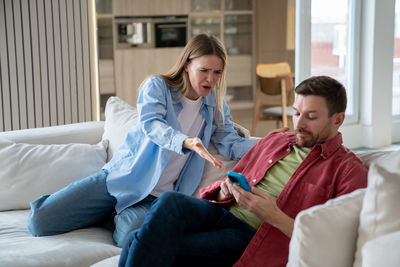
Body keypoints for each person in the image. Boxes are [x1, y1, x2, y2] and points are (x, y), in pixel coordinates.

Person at [26, 33, 258, 247]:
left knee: (129, 239)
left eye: (217, 72)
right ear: (187, 65)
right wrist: (186, 141)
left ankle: (114, 215)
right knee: (40, 222)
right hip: (122, 179)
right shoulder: (158, 87)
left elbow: (232, 143)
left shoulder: (216, 106)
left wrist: (276, 144)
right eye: (204, 70)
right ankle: (104, 206)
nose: (211, 79)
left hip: (155, 198)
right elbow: (152, 125)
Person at [118, 75, 368, 267]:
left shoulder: (348, 170)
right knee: (169, 201)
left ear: (338, 119)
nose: (299, 124)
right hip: (223, 212)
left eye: (311, 117)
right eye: (296, 113)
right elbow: (233, 177)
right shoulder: (276, 140)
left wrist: (273, 214)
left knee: (135, 241)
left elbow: (338, 242)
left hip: (255, 236)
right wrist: (224, 191)